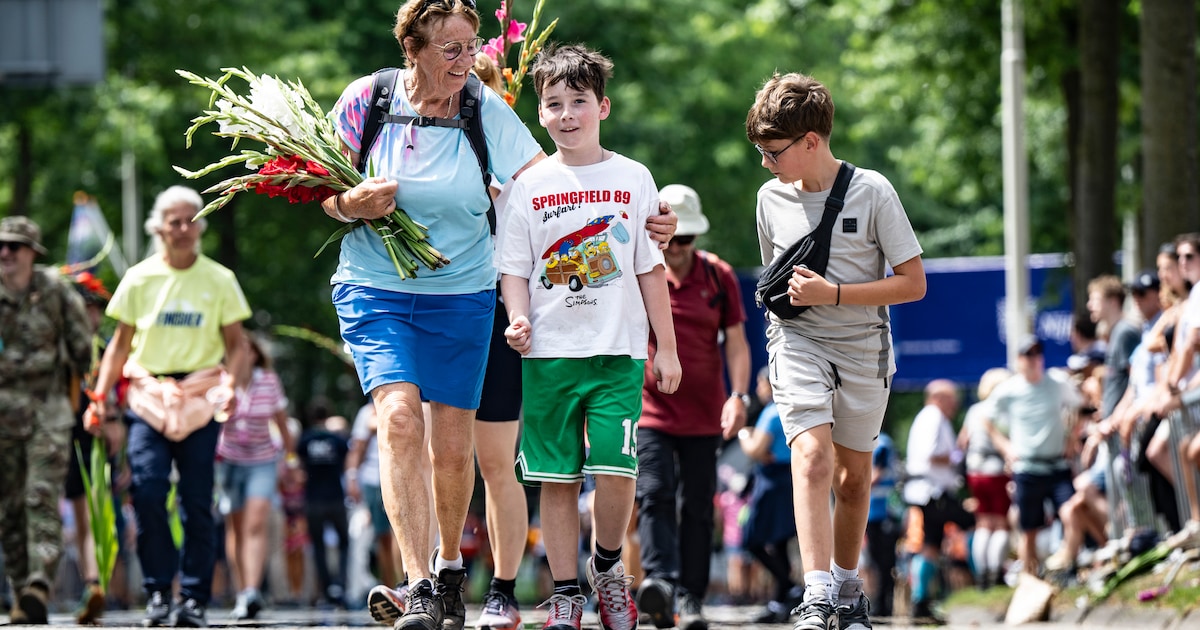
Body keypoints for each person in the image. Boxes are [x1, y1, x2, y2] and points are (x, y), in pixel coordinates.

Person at [498, 43, 682, 630]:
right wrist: (517, 317)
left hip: (618, 352)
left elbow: (650, 268)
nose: (567, 114)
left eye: (579, 102)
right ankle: (566, 593)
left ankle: (607, 567)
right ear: (541, 114)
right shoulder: (530, 185)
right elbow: (515, 268)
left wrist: (667, 347)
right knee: (556, 479)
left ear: (602, 106)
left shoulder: (634, 177)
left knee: (616, 469)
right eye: (554, 104)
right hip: (549, 355)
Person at [745, 72, 926, 630]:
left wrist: (836, 295)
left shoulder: (873, 191)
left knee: (853, 480)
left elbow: (914, 282)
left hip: (863, 349)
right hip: (797, 342)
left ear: (810, 142)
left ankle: (848, 589)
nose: (765, 163)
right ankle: (816, 592)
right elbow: (776, 279)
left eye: (773, 151)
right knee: (811, 457)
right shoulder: (768, 198)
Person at [89, 185, 251, 628]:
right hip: (148, 397)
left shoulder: (220, 279)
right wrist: (100, 400)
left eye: (190, 219)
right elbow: (118, 348)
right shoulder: (139, 278)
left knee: (198, 501)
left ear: (200, 225)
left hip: (200, 396)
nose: (183, 228)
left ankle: (195, 598)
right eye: (174, 221)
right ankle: (159, 592)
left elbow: (238, 347)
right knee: (146, 492)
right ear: (158, 228)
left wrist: (231, 385)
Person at [634, 183, 750, 630]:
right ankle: (660, 584)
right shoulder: (640, 270)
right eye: (672, 238)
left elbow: (737, 344)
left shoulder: (718, 276)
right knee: (654, 493)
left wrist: (738, 397)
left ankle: (692, 596)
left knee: (698, 505)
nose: (678, 248)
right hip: (650, 412)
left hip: (706, 415)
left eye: (687, 239)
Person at [0, 216, 94, 624]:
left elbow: (81, 349)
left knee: (40, 495)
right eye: (0, 247)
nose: (4, 253)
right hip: (3, 415)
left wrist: (84, 402)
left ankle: (40, 581)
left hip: (48, 411)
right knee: (10, 507)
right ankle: (23, 593)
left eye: (14, 247)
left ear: (32, 254)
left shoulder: (54, 291)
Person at [981, 336, 1080, 578]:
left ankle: (1069, 567)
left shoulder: (1058, 382)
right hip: (1027, 468)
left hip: (1056, 464)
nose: (1034, 359)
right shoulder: (1009, 389)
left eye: (1037, 353)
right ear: (1018, 360)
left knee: (1071, 513)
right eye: (1028, 354)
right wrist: (1005, 447)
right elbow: (986, 418)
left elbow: (1077, 406)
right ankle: (1030, 580)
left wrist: (1071, 438)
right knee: (1029, 531)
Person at [215, 332, 296, 620]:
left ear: (254, 354)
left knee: (255, 523)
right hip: (228, 461)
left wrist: (290, 459)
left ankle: (251, 590)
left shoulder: (269, 381)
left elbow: (282, 424)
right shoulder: (219, 381)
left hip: (263, 459)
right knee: (235, 528)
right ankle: (241, 592)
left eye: (246, 349)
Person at [903, 380, 971, 621]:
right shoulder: (933, 416)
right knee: (971, 521)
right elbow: (932, 454)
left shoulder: (929, 417)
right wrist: (957, 455)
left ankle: (922, 601)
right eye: (952, 399)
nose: (955, 404)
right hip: (932, 491)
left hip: (927, 490)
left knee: (930, 545)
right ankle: (980, 582)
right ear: (938, 398)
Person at [738, 367, 802, 625]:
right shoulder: (791, 409)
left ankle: (791, 588)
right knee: (779, 543)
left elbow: (755, 450)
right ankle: (781, 600)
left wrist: (745, 433)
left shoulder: (772, 412)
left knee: (752, 539)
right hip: (788, 478)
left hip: (773, 481)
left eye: (760, 383)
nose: (758, 389)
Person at [956, 367, 1014, 590]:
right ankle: (994, 572)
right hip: (996, 470)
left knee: (983, 522)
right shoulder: (1002, 411)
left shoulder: (974, 410)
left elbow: (963, 442)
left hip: (974, 470)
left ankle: (980, 574)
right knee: (1000, 523)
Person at [297, 401, 352, 608]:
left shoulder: (305, 440)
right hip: (336, 497)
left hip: (313, 499)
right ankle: (340, 585)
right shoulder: (336, 440)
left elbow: (299, 466)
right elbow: (346, 463)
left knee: (318, 546)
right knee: (344, 543)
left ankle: (327, 589)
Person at [1086, 274, 1140, 419]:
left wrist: (1117, 415)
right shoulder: (1116, 332)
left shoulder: (1124, 332)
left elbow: (1137, 379)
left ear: (1113, 302)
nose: (1089, 305)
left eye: (1095, 300)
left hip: (1122, 425)